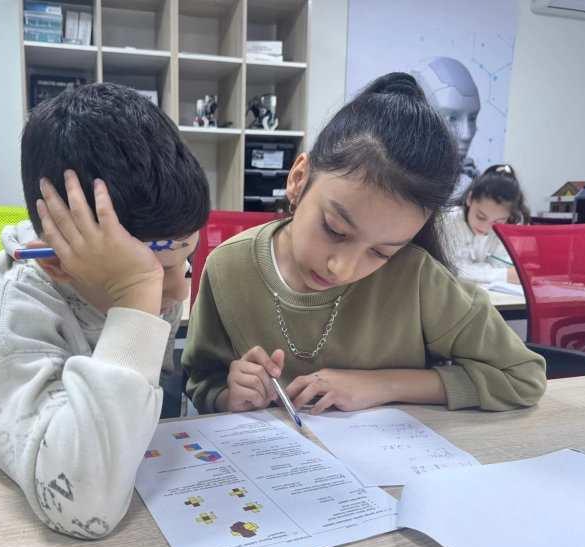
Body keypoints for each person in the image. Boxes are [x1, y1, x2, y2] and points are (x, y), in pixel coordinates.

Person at [0, 83, 210, 539]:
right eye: (157, 271)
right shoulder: (12, 316)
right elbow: (87, 510)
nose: (179, 291)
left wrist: (139, 287)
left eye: (187, 262)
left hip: (54, 475)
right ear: (58, 262)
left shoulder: (153, 289)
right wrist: (137, 294)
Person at [182, 73, 545, 418]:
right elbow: (202, 380)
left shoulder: (416, 277)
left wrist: (382, 385)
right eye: (334, 230)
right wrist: (230, 394)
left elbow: (523, 376)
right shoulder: (228, 268)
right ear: (299, 179)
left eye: (381, 253)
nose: (342, 269)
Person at [446, 164, 530, 285]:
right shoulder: (452, 219)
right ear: (469, 199)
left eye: (498, 221)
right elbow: (452, 268)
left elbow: (501, 265)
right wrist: (505, 275)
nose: (486, 227)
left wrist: (495, 272)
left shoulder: (509, 227)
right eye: (481, 217)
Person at [413, 57, 481, 180]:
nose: (466, 135)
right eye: (451, 119)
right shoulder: (395, 174)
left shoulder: (468, 176)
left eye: (472, 119)